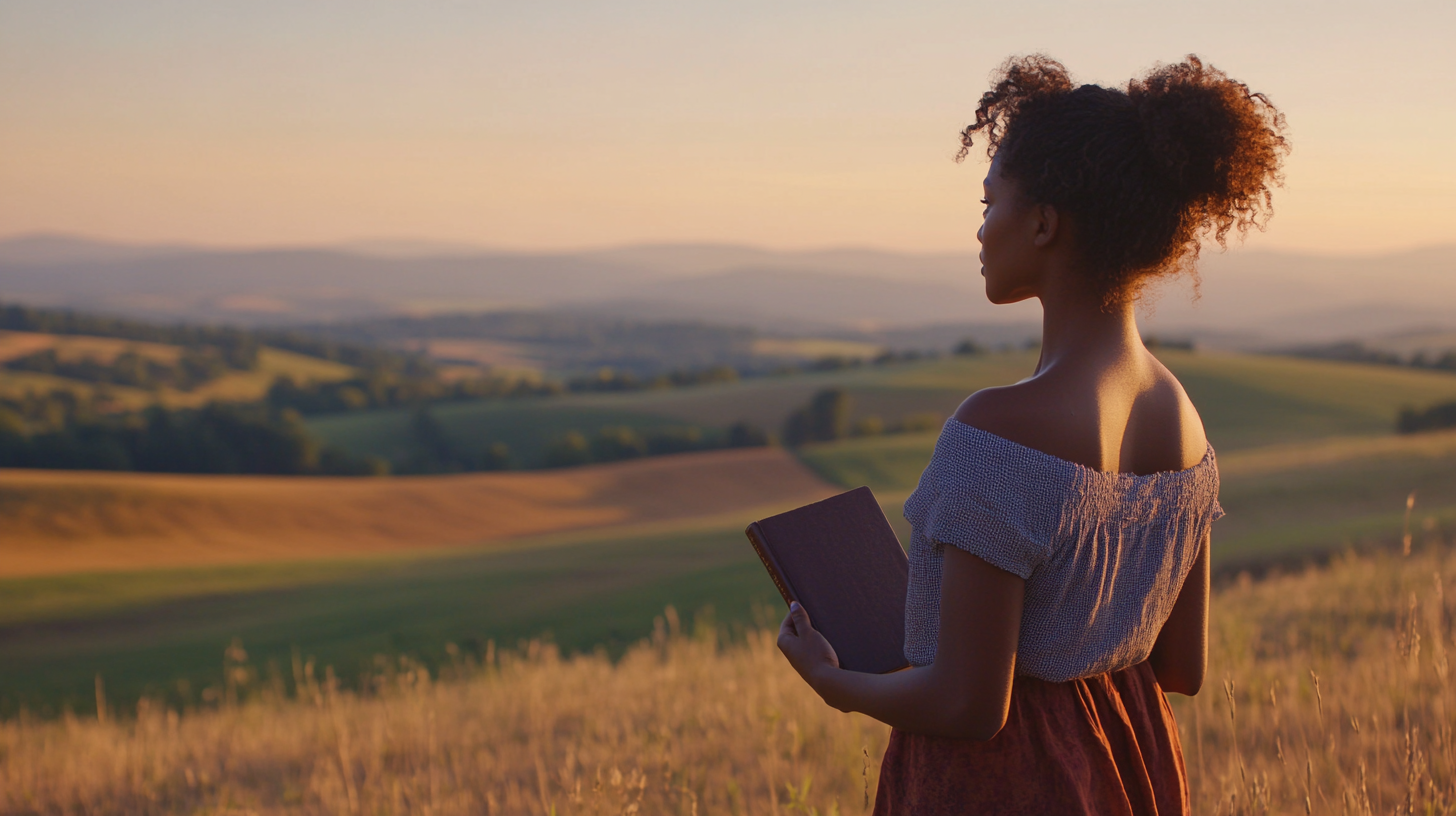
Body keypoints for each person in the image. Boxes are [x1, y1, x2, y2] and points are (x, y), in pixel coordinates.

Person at [774, 54, 1288, 815]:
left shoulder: (997, 433)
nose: (981, 230)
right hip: (1130, 763)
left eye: (990, 204)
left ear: (1045, 221)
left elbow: (969, 707)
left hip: (1002, 787)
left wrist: (834, 683)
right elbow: (1180, 669)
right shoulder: (1183, 419)